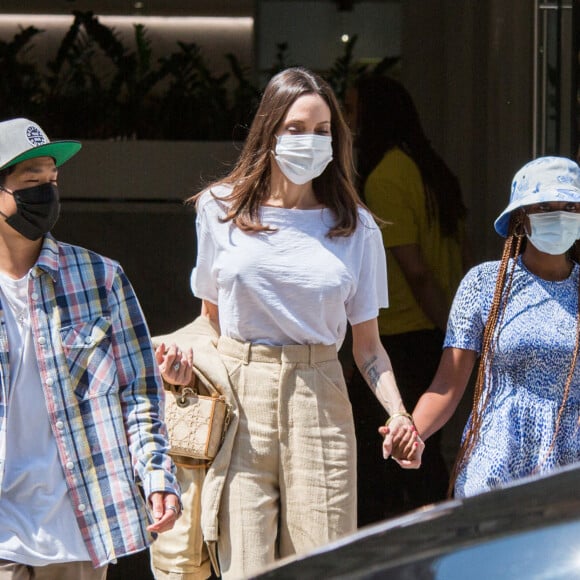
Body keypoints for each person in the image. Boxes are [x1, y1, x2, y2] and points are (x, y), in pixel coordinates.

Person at [152, 67, 424, 580]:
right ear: (270, 131)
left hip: (320, 394)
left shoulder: (356, 227)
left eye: (323, 130)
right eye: (297, 128)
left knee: (322, 566)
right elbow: (208, 320)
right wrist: (179, 363)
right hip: (238, 398)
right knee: (243, 567)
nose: (311, 140)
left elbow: (368, 348)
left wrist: (400, 415)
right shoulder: (220, 209)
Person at [0, 117, 181, 580]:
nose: (46, 191)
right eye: (30, 181)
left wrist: (157, 476)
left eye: (51, 180)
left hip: (78, 534)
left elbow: (140, 395)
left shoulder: (101, 279)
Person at [406, 156, 580, 498]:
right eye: (544, 205)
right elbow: (447, 385)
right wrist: (412, 434)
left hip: (570, 468)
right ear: (521, 217)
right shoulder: (484, 285)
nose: (559, 215)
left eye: (570, 206)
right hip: (496, 460)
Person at [346, 74, 471, 524]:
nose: (348, 123)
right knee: (427, 451)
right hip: (435, 330)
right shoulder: (433, 169)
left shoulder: (385, 177)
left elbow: (414, 269)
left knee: (389, 457)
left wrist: (448, 326)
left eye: (353, 111)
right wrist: (455, 330)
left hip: (398, 336)